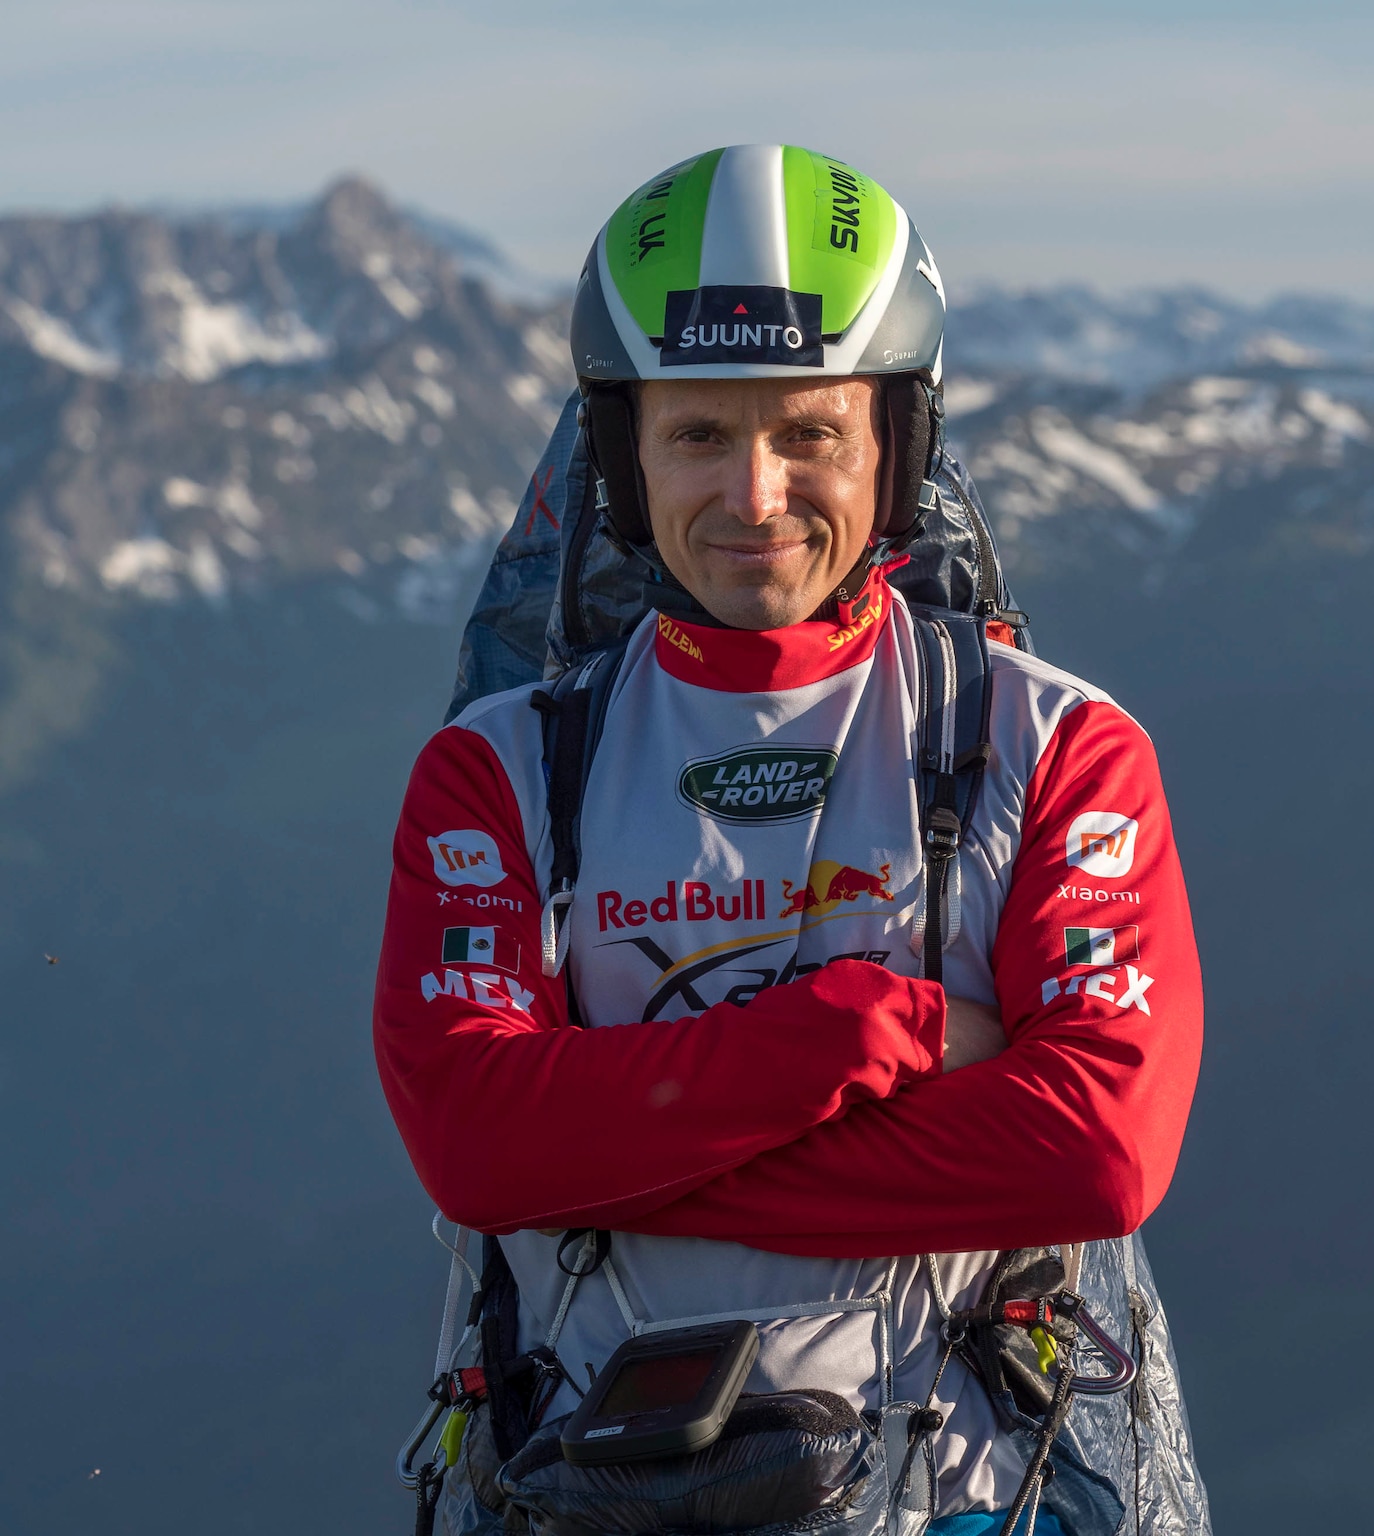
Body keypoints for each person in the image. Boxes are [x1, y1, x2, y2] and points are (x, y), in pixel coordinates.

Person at [374, 144, 1207, 1536]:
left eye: (807, 433)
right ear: (623, 461)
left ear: (897, 444)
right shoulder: (494, 771)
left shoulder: (1059, 749)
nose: (754, 497)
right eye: (699, 433)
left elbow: (1097, 1151)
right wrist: (863, 1036)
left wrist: (607, 1160)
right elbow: (471, 1139)